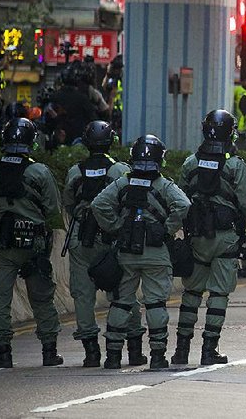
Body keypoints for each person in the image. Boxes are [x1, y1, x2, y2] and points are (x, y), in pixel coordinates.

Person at [91, 135, 191, 369]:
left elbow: (98, 205)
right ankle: (157, 356)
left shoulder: (123, 183)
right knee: (155, 303)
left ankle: (113, 356)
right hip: (156, 252)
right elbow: (184, 205)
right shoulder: (163, 185)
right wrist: (166, 229)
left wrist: (116, 226)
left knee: (121, 303)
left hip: (126, 252)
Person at [0, 118, 64, 368]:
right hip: (33, 244)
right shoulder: (40, 172)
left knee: (0, 298)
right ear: (30, 142)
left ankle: (3, 353)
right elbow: (52, 209)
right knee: (42, 297)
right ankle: (49, 351)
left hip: (2, 245)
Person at [172, 110, 246, 365]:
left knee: (192, 292)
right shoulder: (235, 165)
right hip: (226, 236)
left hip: (196, 236)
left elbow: (180, 195)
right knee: (219, 294)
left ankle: (181, 350)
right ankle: (209, 350)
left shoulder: (191, 162)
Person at [63, 121, 146, 368]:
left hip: (81, 238)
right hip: (112, 239)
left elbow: (68, 203)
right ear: (112, 140)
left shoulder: (75, 172)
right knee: (123, 293)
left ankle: (91, 353)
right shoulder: (120, 170)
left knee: (82, 295)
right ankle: (133, 349)